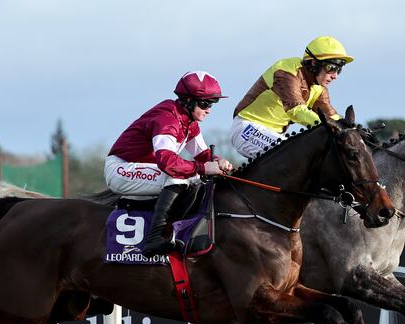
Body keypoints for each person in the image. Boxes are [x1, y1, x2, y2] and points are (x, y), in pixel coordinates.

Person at [105, 71, 234, 257]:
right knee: (178, 176)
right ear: (188, 101)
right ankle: (154, 239)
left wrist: (217, 161)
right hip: (121, 169)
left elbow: (202, 155)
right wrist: (204, 168)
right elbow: (167, 162)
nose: (209, 109)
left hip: (144, 169)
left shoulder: (189, 122)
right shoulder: (167, 120)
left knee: (193, 177)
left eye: (213, 103)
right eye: (205, 103)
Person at [230, 36, 354, 159]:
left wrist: (353, 130)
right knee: (298, 158)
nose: (335, 76)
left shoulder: (318, 86)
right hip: (247, 128)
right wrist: (332, 127)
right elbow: (296, 111)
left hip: (274, 135)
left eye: (339, 70)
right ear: (314, 63)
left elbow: (330, 116)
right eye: (331, 68)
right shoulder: (286, 72)